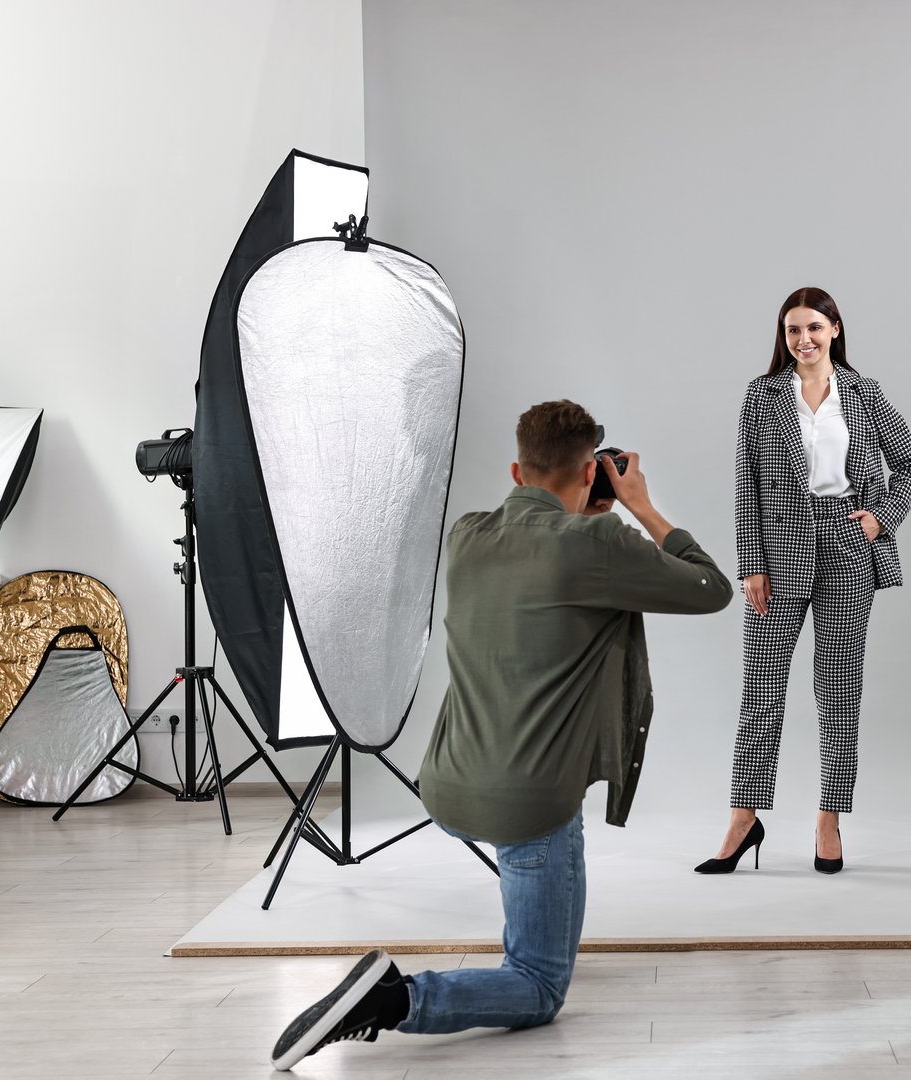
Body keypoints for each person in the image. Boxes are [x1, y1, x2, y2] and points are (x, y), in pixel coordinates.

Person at [273, 400, 732, 1071]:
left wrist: (584, 512)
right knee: (539, 985)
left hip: (449, 784)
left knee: (534, 899)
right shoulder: (597, 545)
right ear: (592, 475)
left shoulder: (467, 535)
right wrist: (639, 507)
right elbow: (711, 587)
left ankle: (495, 945)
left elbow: (543, 569)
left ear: (516, 468)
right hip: (528, 805)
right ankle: (393, 1000)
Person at [696, 286, 911, 877]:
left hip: (848, 547)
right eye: (793, 330)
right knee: (762, 691)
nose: (803, 340)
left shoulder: (864, 394)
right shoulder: (762, 395)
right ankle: (743, 819)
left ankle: (830, 819)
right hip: (778, 553)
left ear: (836, 331)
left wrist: (881, 516)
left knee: (838, 693)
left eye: (814, 328)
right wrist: (750, 563)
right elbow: (747, 482)